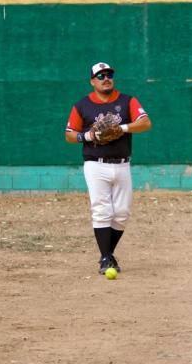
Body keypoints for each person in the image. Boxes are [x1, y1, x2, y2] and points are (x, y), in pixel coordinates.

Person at [64, 62, 152, 274]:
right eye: (100, 75)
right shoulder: (82, 105)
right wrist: (88, 135)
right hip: (95, 165)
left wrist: (121, 127)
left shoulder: (127, 100)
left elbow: (145, 123)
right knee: (102, 210)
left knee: (121, 214)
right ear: (92, 81)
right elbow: (69, 134)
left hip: (122, 164)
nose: (106, 78)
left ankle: (107, 254)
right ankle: (105, 259)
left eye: (109, 74)